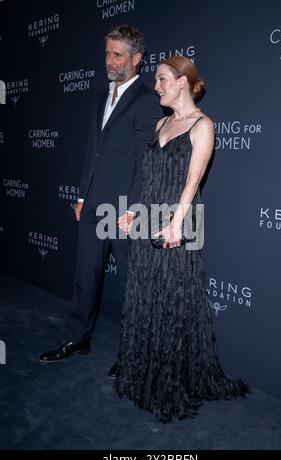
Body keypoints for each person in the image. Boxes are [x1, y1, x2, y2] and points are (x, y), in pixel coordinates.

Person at [114, 56, 250, 422]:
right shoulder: (160, 123)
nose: (155, 86)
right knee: (146, 297)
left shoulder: (203, 125)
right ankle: (143, 373)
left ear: (182, 82)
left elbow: (193, 180)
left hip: (178, 225)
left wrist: (176, 223)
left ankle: (172, 379)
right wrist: (132, 211)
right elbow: (148, 181)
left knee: (173, 302)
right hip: (148, 225)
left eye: (161, 79)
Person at [39, 25, 163, 365]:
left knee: (130, 284)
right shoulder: (99, 96)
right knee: (84, 276)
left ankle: (133, 355)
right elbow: (92, 151)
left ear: (136, 59)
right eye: (107, 52)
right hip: (93, 203)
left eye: (117, 54)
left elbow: (146, 160)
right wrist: (82, 195)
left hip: (125, 208)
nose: (109, 60)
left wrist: (136, 209)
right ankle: (77, 338)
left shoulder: (148, 100)